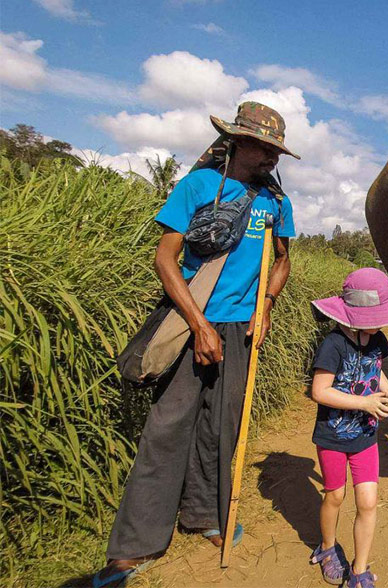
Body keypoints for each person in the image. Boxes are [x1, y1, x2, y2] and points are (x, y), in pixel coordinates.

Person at [93, 102, 300, 587]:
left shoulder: (276, 202)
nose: (271, 158)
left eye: (277, 151)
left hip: (241, 330)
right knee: (167, 427)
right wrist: (199, 324)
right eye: (263, 148)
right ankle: (135, 545)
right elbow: (165, 260)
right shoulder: (198, 186)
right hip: (191, 322)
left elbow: (284, 260)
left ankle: (204, 515)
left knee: (221, 426)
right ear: (236, 142)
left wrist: (265, 305)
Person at [308, 268, 388, 588]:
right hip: (332, 435)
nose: (383, 325)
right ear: (356, 316)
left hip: (366, 436)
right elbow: (320, 392)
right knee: (335, 495)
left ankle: (359, 569)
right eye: (378, 318)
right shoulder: (333, 345)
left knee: (368, 501)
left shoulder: (377, 340)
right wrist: (365, 403)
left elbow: (376, 372)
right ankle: (327, 548)